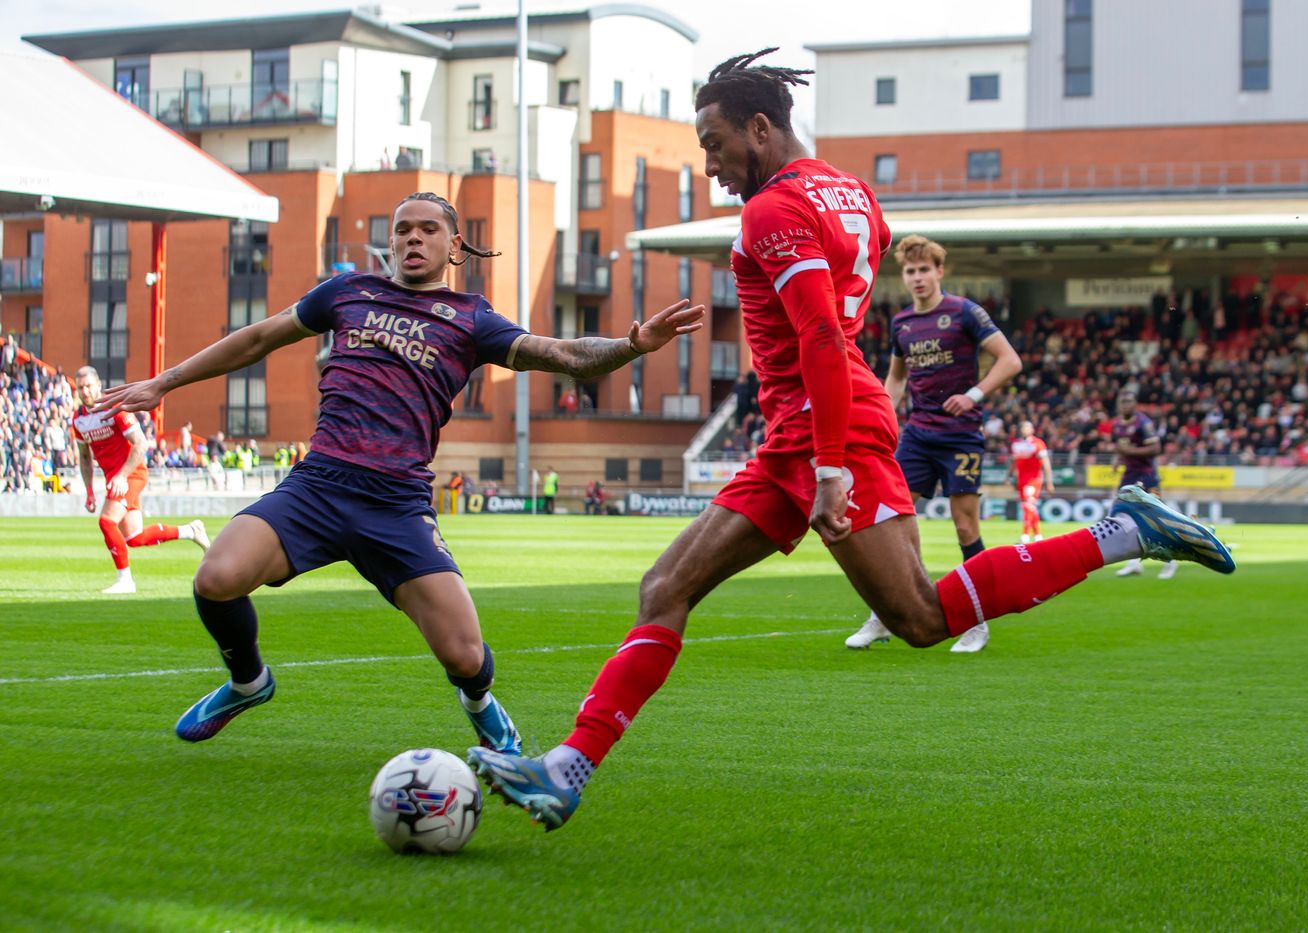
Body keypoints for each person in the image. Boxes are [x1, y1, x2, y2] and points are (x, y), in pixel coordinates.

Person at [466, 49, 1235, 832]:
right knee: (666, 588)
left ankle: (1127, 529)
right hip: (801, 433)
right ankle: (568, 767)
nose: (711, 164)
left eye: (714, 142)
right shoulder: (857, 195)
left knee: (922, 617)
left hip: (825, 429)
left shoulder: (771, 210)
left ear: (760, 128)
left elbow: (824, 340)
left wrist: (830, 464)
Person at [97, 190, 703, 747]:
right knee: (215, 577)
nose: (413, 238)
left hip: (396, 505)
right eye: (403, 229)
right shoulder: (346, 293)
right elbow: (257, 338)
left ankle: (479, 702)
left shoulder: (472, 319)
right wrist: (165, 381)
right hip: (318, 486)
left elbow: (564, 354)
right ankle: (248, 681)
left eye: (428, 229)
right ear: (391, 241)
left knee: (466, 656)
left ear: (453, 246)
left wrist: (632, 347)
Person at [844, 235, 1022, 653]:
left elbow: (1010, 359)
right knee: (890, 523)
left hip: (961, 437)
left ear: (940, 272)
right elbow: (898, 378)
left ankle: (977, 623)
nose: (918, 277)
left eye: (925, 269)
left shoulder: (964, 312)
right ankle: (884, 616)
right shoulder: (901, 323)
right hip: (918, 435)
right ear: (903, 276)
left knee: (965, 526)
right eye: (911, 271)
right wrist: (882, 419)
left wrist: (974, 395)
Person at [71, 366, 209, 594]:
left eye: (88, 386)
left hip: (131, 474)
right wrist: (88, 491)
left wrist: (122, 475)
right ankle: (190, 531)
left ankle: (125, 580)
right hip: (115, 479)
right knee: (135, 538)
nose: (85, 391)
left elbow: (141, 444)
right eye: (80, 387)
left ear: (98, 385)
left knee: (106, 522)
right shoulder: (79, 420)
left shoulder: (116, 409)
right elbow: (84, 457)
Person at [1111, 389, 1177, 580]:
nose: (1126, 405)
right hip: (1128, 476)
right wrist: (1119, 459)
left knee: (1158, 520)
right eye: (1122, 402)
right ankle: (1133, 564)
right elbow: (1122, 447)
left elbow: (1156, 448)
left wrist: (1129, 451)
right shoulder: (1117, 425)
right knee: (1121, 517)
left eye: (1129, 402)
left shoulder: (1144, 423)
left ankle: (1170, 562)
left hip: (1147, 477)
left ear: (1135, 404)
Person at [1010, 420, 1054, 544]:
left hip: (1033, 480)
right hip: (1021, 480)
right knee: (1030, 508)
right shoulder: (1016, 444)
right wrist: (1008, 477)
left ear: (1032, 430)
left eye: (1027, 427)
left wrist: (1049, 482)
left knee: (1028, 506)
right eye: (1023, 427)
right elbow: (1014, 462)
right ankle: (1038, 536)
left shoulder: (1038, 444)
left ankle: (1024, 536)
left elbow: (1046, 463)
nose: (1025, 429)